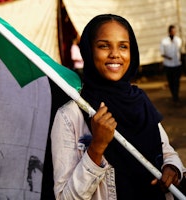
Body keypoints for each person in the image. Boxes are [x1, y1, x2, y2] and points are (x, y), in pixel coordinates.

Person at [51, 14, 185, 200]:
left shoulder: (140, 101)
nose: (115, 54)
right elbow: (65, 197)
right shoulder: (70, 115)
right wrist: (96, 147)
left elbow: (167, 152)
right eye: (104, 45)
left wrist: (172, 168)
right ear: (89, 51)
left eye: (123, 46)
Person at [160, 25, 183, 106]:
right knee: (171, 81)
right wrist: (168, 57)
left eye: (175, 31)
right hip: (168, 65)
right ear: (169, 32)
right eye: (172, 31)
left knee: (177, 81)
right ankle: (174, 95)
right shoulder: (164, 41)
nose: (174, 33)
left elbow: (180, 51)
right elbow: (162, 53)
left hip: (177, 64)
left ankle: (176, 97)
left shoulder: (178, 40)